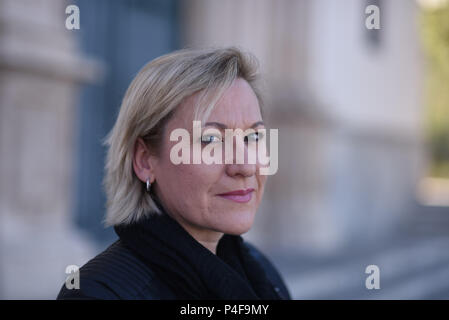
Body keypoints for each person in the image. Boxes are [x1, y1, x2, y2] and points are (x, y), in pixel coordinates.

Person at [57, 47, 291, 300]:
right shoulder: (98, 294)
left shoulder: (261, 272)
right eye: (210, 139)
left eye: (253, 136)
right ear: (145, 161)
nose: (245, 167)